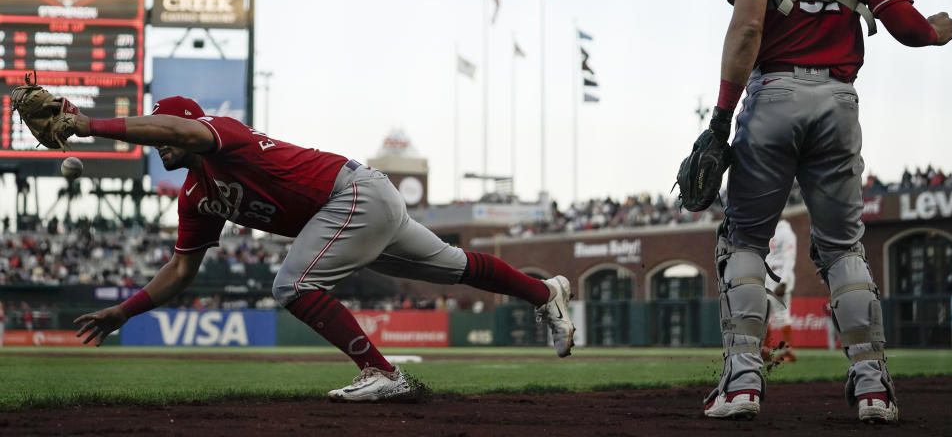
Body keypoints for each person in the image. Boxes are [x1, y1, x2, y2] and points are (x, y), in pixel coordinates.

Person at [67, 96, 575, 401]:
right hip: (354, 207)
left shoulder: (224, 133)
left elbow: (176, 128)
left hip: (350, 194)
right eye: (154, 136)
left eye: (165, 132)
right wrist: (126, 311)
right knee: (454, 267)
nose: (161, 144)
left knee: (292, 284)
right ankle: (543, 293)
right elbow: (181, 268)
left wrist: (90, 126)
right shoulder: (196, 197)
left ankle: (382, 373)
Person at [702, 0, 952, 424]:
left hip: (775, 97)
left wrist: (720, 116)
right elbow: (907, 27)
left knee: (743, 241)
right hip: (839, 102)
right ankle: (873, 389)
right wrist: (936, 33)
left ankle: (742, 383)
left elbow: (747, 30)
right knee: (843, 248)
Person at [761, 219, 796, 363]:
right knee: (764, 315)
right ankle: (765, 350)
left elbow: (789, 258)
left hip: (780, 276)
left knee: (782, 315)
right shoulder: (769, 229)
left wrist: (784, 282)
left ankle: (789, 352)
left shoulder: (786, 231)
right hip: (767, 277)